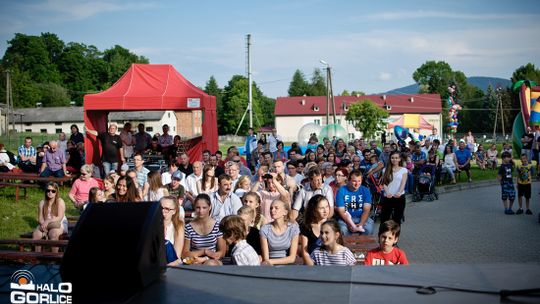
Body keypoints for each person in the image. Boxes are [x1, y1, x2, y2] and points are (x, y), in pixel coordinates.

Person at [182, 194, 226, 265]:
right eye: (198, 207)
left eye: (204, 207)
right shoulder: (188, 227)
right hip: (195, 260)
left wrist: (205, 258)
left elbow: (222, 252)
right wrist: (204, 251)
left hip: (213, 260)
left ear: (210, 207)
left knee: (210, 264)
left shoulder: (217, 226)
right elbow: (185, 254)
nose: (200, 211)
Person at [260, 199, 300, 265]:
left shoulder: (293, 228)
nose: (272, 210)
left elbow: (292, 258)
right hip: (270, 266)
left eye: (276, 208)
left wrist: (271, 261)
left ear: (285, 212)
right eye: (271, 208)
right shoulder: (265, 229)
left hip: (288, 265)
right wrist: (270, 262)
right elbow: (266, 258)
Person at [32, 182, 68, 253]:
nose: (50, 192)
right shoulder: (42, 202)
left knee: (53, 234)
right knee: (36, 234)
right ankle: (37, 257)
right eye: (48, 190)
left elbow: (59, 217)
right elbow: (40, 218)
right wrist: (43, 225)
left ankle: (54, 258)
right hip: (45, 224)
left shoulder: (60, 201)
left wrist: (47, 221)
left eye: (53, 191)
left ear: (56, 192)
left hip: (58, 224)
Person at [335, 169, 373, 235]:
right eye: (354, 181)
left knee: (368, 228)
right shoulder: (342, 190)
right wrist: (350, 224)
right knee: (343, 229)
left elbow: (366, 210)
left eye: (359, 181)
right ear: (349, 180)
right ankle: (347, 245)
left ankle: (363, 244)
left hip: (361, 217)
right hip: (346, 218)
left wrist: (361, 224)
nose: (357, 184)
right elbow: (341, 211)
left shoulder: (365, 190)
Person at [300, 194, 331, 265]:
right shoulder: (306, 227)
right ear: (314, 210)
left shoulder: (332, 225)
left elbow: (337, 250)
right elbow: (305, 253)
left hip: (329, 264)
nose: (325, 210)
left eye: (327, 207)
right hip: (311, 265)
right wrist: (314, 269)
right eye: (321, 208)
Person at [380, 152, 408, 225]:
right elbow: (384, 183)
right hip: (388, 197)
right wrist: (387, 192)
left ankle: (395, 236)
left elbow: (403, 183)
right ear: (390, 159)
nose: (394, 159)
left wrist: (399, 192)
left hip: (399, 197)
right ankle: (383, 235)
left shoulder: (404, 170)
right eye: (392, 158)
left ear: (399, 159)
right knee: (384, 219)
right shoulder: (385, 170)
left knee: (397, 220)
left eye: (396, 158)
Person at [161, 196, 184, 266]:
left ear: (174, 211)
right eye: (161, 208)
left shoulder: (178, 226)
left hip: (170, 263)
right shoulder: (150, 224)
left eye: (167, 209)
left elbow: (176, 256)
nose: (162, 211)